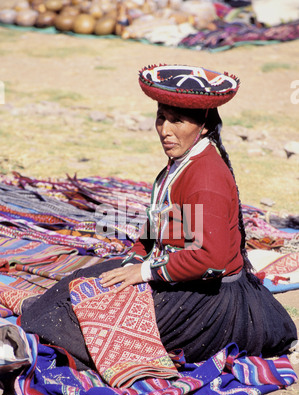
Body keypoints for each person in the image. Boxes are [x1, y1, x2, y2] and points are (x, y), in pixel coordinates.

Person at [21, 64, 297, 370]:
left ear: (203, 126)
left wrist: (145, 273)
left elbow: (212, 258)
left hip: (210, 303)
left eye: (177, 121)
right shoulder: (180, 164)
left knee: (83, 322)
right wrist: (133, 261)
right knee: (82, 284)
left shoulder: (206, 178)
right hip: (179, 277)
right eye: (161, 118)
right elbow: (160, 227)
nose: (165, 130)